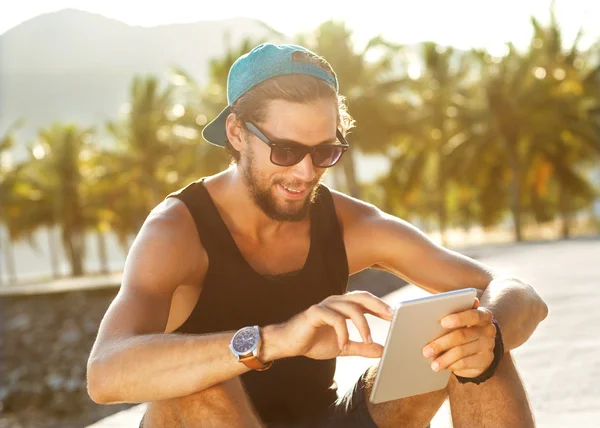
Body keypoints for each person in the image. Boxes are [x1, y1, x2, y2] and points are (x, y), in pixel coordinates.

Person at [86, 43, 548, 428]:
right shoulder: (176, 231)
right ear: (237, 133)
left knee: (473, 345)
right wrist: (276, 339)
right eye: (286, 150)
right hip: (207, 418)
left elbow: (519, 295)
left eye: (324, 151)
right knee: (201, 387)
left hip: (322, 419)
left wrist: (489, 333)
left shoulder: (347, 224)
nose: (306, 173)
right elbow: (105, 372)